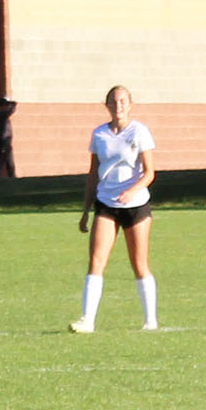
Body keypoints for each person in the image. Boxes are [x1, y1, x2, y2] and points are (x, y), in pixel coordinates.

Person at [71, 86, 159, 332]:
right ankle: (88, 320)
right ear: (106, 105)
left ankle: (150, 320)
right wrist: (86, 210)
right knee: (96, 260)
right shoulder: (99, 134)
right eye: (113, 101)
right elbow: (93, 174)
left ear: (130, 104)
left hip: (135, 206)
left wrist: (132, 190)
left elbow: (150, 172)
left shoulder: (139, 131)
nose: (118, 105)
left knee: (139, 263)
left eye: (122, 101)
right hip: (106, 204)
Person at [0, 97, 16, 178]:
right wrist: (13, 104)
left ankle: (12, 176)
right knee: (1, 161)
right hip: (2, 141)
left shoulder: (1, 114)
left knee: (9, 161)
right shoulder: (0, 114)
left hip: (6, 141)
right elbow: (11, 111)